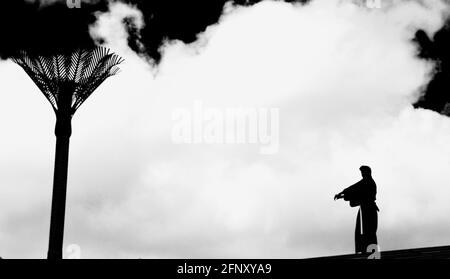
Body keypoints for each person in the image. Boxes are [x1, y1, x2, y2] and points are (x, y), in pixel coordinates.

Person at [334, 165, 379, 254]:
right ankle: (365, 250)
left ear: (368, 172)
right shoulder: (365, 182)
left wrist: (342, 194)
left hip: (368, 209)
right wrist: (342, 194)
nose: (362, 174)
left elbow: (355, 188)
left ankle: (370, 251)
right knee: (364, 231)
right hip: (365, 209)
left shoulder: (368, 182)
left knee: (368, 231)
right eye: (361, 173)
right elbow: (355, 190)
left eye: (364, 172)